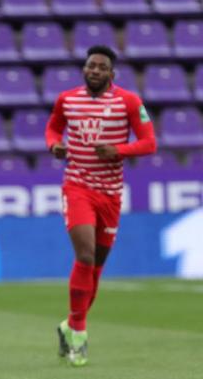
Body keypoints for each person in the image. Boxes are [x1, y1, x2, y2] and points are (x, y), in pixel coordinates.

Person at [45, 46, 157, 366]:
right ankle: (79, 335)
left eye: (101, 67)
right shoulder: (67, 99)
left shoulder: (129, 102)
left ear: (111, 74)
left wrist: (118, 149)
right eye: (90, 65)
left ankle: (68, 324)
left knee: (95, 269)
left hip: (110, 194)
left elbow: (149, 142)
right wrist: (54, 145)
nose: (94, 70)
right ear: (84, 69)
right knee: (85, 254)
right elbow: (53, 127)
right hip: (77, 186)